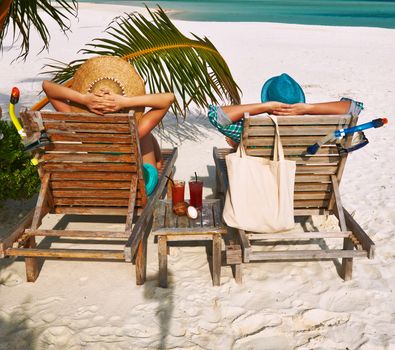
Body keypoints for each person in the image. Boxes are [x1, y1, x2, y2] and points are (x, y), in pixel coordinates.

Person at [42, 56, 175, 171]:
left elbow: (47, 86)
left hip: (99, 184)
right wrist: (126, 102)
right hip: (135, 188)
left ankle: (158, 160)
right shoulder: (133, 133)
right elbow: (168, 98)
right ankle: (158, 161)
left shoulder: (80, 125)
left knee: (144, 133)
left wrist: (84, 99)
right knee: (144, 134)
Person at [208, 73, 363, 147]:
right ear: (299, 101)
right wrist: (309, 109)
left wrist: (264, 107)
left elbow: (216, 115)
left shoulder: (252, 129)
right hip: (308, 188)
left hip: (261, 188)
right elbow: (354, 108)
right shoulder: (317, 129)